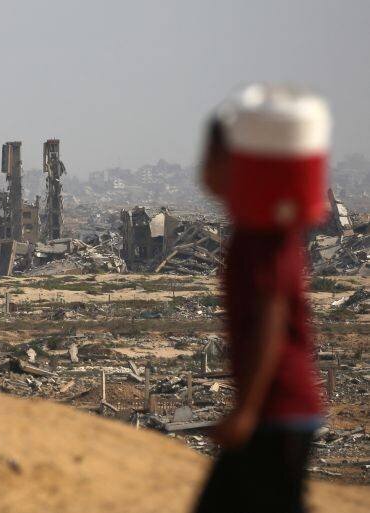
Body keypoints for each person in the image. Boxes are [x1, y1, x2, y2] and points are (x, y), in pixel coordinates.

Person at [194, 84, 331, 513]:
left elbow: (270, 325)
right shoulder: (260, 234)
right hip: (279, 414)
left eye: (212, 159)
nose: (203, 171)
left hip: (279, 413)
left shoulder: (259, 240)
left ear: (237, 165)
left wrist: (247, 412)